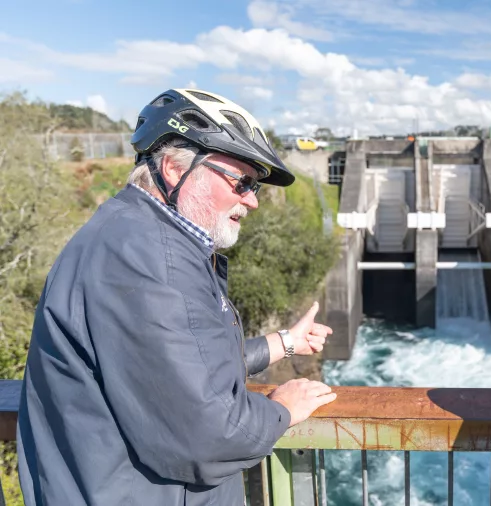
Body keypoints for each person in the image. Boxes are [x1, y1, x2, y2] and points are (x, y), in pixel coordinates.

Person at [17, 88, 338, 506]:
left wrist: (285, 343)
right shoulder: (149, 260)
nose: (253, 200)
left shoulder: (131, 235)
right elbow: (210, 434)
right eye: (242, 181)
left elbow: (178, 368)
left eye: (255, 186)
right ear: (173, 168)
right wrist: (282, 409)